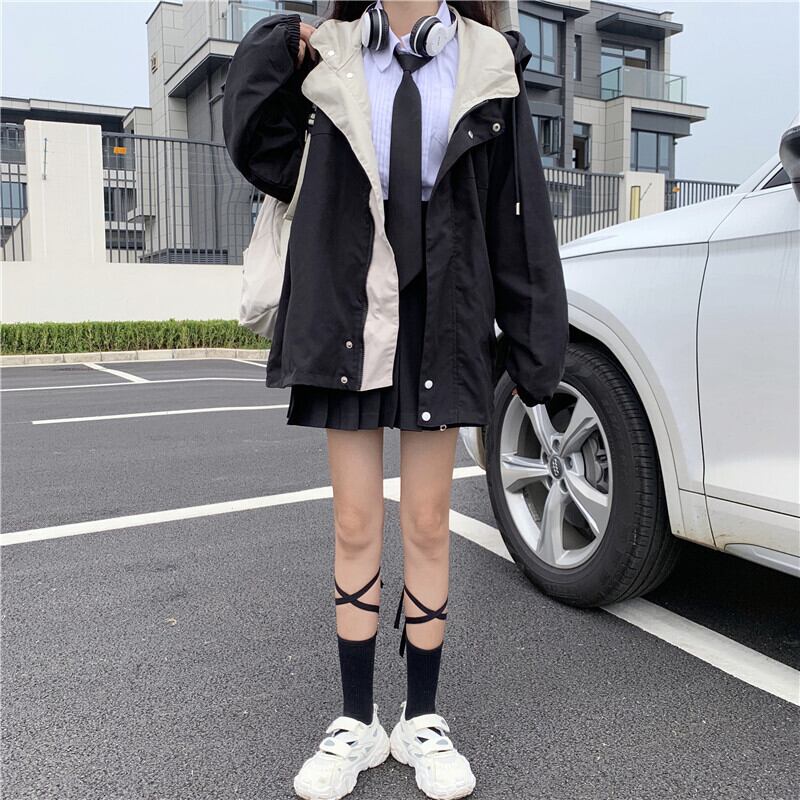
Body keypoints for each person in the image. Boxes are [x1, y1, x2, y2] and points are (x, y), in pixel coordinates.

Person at [222, 2, 569, 798]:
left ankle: (422, 718)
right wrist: (280, 42)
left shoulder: (488, 61)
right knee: (354, 522)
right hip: (349, 303)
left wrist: (535, 348)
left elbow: (518, 212)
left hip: (444, 309)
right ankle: (356, 721)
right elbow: (256, 145)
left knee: (427, 522)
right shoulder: (332, 52)